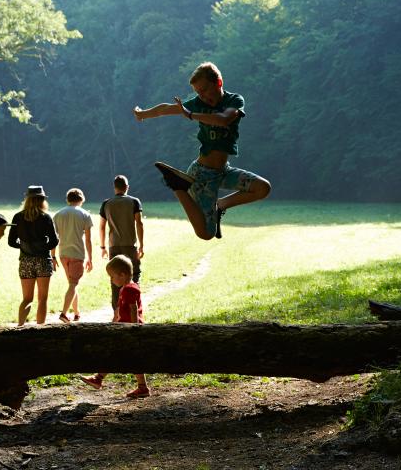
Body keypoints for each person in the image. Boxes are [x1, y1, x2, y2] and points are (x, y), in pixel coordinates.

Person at [133, 61, 271, 240]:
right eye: (198, 92)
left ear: (218, 82)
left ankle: (220, 205)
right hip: (202, 175)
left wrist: (190, 115)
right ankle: (178, 186)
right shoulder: (198, 103)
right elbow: (166, 109)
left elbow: (224, 119)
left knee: (262, 188)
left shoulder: (234, 100)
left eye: (205, 90)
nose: (203, 96)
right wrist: (143, 114)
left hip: (223, 171)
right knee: (206, 233)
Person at [80, 255, 150, 398]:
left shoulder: (129, 289)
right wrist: (113, 325)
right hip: (123, 328)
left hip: (130, 329)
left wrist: (134, 328)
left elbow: (133, 308)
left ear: (122, 275)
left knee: (118, 354)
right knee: (127, 357)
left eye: (112, 276)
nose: (111, 280)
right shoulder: (126, 288)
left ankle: (99, 378)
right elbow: (119, 310)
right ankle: (142, 387)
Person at [8, 185, 59, 326]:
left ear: (27, 199)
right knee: (42, 299)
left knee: (27, 299)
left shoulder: (17, 217)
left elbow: (11, 242)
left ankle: (20, 326)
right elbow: (54, 241)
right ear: (42, 200)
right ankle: (40, 328)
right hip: (43, 260)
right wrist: (43, 247)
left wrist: (24, 246)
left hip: (25, 261)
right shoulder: (46, 218)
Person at [99, 175, 144, 314]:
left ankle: (117, 313)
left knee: (115, 279)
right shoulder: (134, 202)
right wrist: (141, 245)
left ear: (114, 187)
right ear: (127, 187)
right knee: (133, 276)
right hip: (130, 245)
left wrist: (103, 247)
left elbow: (101, 226)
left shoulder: (106, 203)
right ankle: (134, 310)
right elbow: (139, 223)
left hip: (114, 246)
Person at [52, 188, 93, 323]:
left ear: (68, 199)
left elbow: (54, 238)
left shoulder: (58, 215)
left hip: (63, 254)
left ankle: (76, 313)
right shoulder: (85, 214)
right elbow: (88, 239)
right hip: (77, 254)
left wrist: (53, 256)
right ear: (81, 199)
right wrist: (90, 258)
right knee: (73, 284)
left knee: (72, 284)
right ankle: (64, 313)